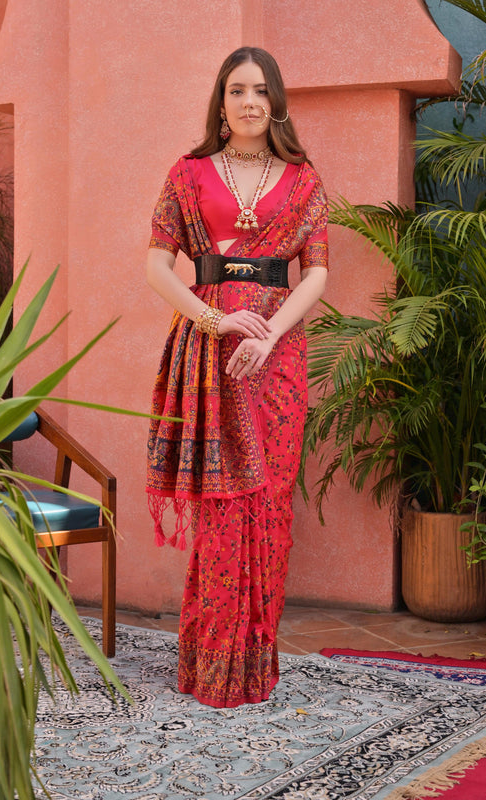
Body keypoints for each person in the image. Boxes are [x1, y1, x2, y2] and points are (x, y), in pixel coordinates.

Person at [146, 46, 329, 708]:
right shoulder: (189, 174)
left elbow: (316, 272)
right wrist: (213, 322)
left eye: (260, 91)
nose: (250, 102)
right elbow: (157, 266)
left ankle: (254, 664)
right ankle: (209, 666)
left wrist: (272, 333)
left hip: (277, 362)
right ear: (220, 103)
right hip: (210, 354)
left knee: (267, 503)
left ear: (275, 102)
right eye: (236, 90)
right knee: (222, 507)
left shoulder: (302, 179)